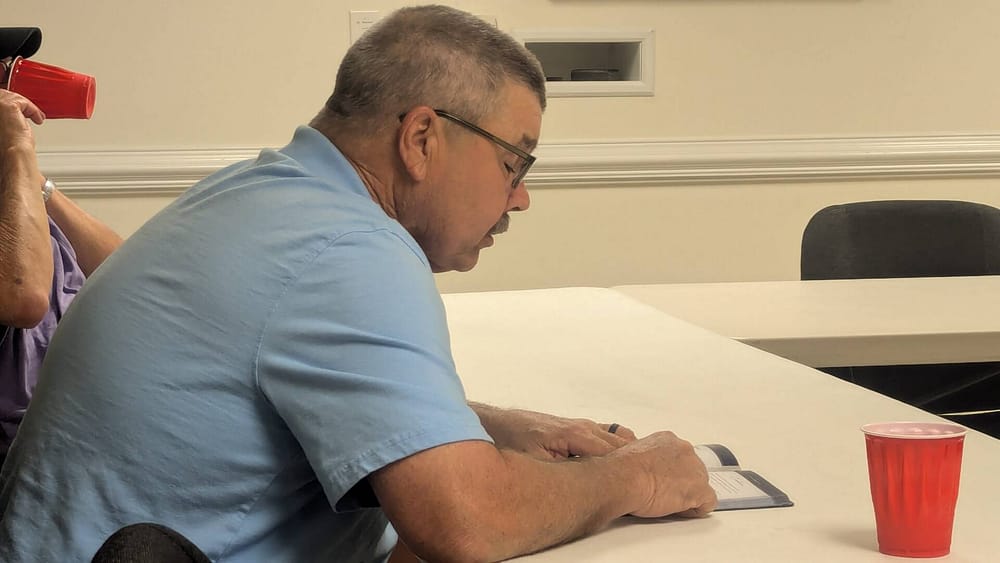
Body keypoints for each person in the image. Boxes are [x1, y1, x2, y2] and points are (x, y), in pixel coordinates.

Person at [0, 6, 717, 562]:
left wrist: (492, 423)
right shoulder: (352, 246)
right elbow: (465, 521)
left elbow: (280, 378)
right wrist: (637, 477)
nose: (520, 198)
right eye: (514, 163)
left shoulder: (258, 191)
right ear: (422, 138)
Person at [0, 27, 122, 467]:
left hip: (87, 428)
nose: (13, 79)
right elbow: (23, 298)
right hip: (31, 455)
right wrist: (16, 148)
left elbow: (124, 272)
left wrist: (36, 182)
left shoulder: (17, 187)